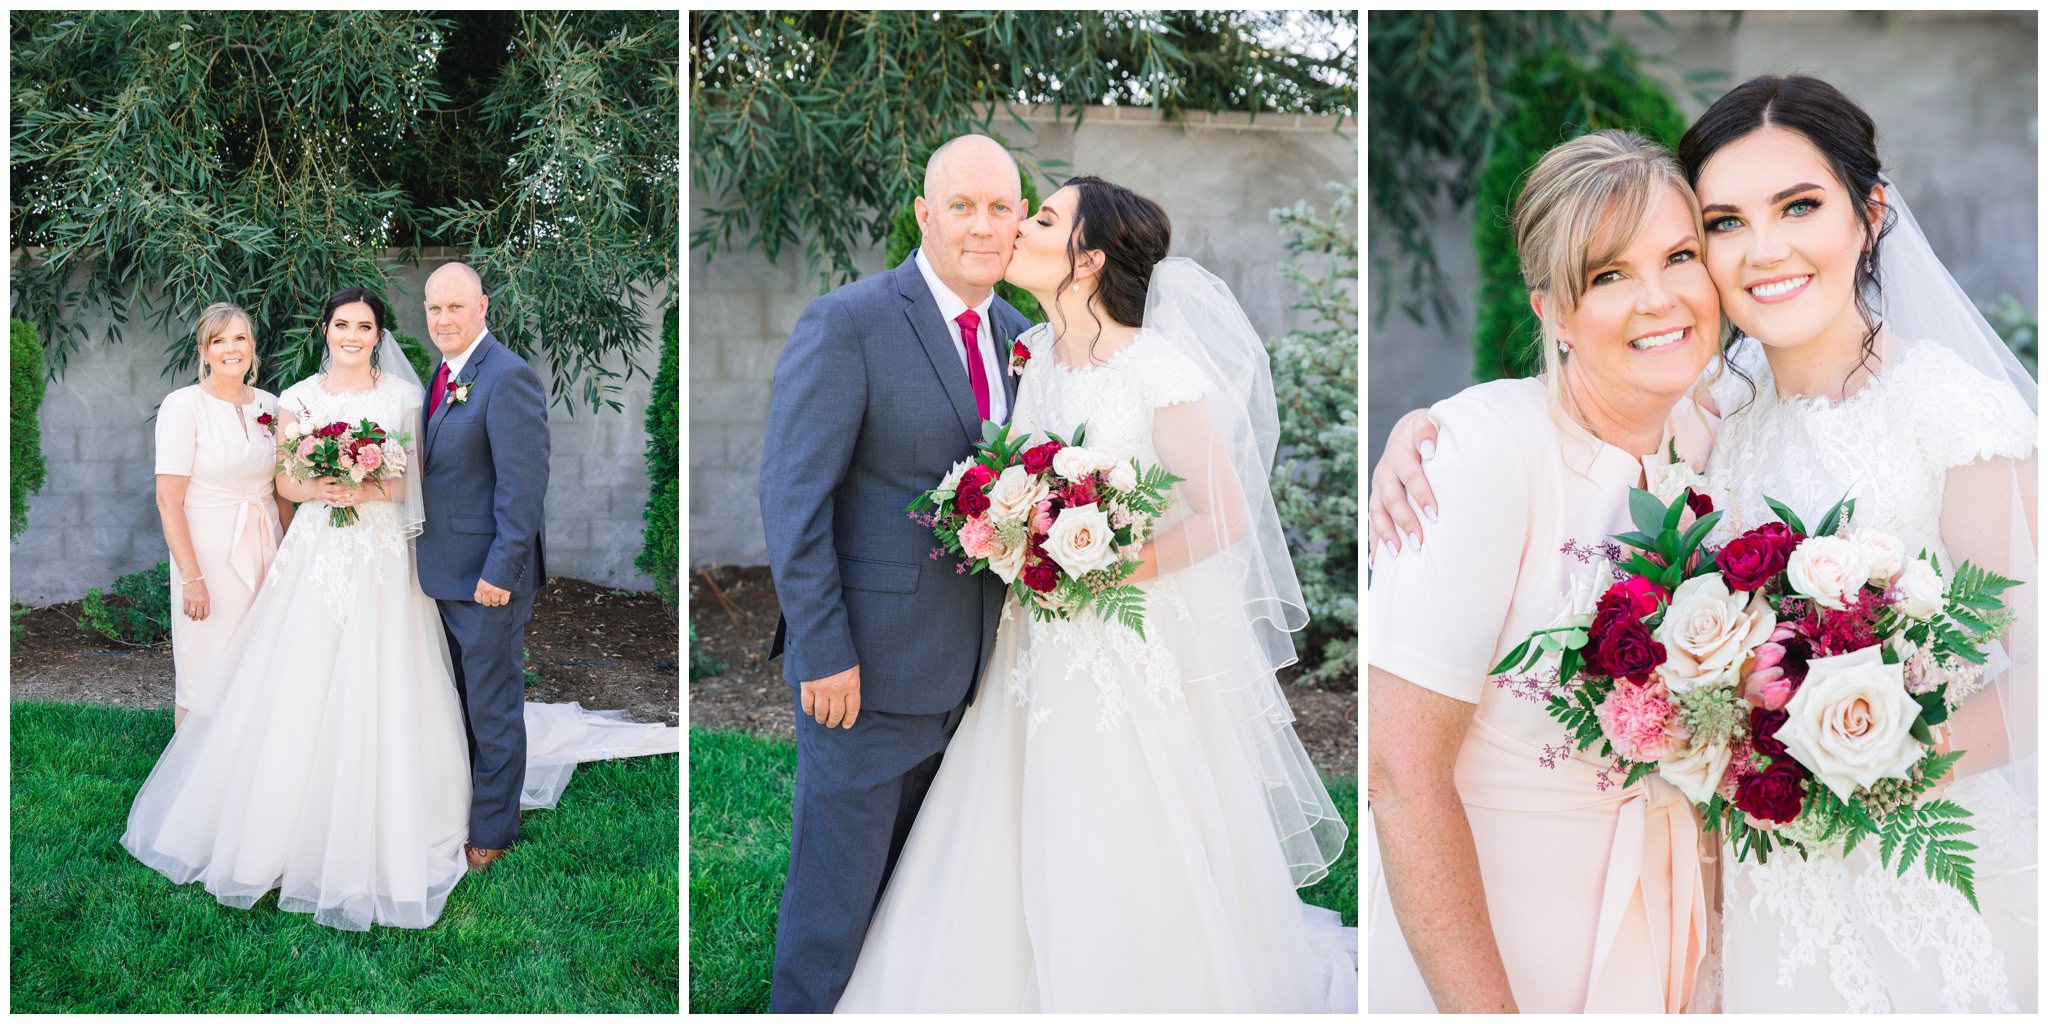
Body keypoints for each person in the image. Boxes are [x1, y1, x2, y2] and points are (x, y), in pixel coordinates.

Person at [1369, 76, 2037, 1013]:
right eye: (1724, 223)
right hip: (1742, 902)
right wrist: (1423, 435)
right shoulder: (1720, 409)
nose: (1763, 249)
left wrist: (1861, 757)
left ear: (1871, 214)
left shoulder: (1951, 415)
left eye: (1799, 206)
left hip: (1908, 873)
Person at [834, 176, 1353, 1011]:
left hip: (1117, 644)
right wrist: (1008, 528)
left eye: (1040, 219)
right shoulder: (1029, 353)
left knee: (1117, 825)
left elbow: (1222, 515)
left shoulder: (1156, 367)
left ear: (1089, 258)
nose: (1017, 229)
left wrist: (1109, 568)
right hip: (1028, 640)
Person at [122, 286, 677, 931]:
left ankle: (432, 809)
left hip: (386, 557)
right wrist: (324, 483)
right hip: (319, 551)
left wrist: (369, 480)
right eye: (340, 324)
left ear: (379, 333)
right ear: (324, 331)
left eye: (364, 325)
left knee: (393, 674)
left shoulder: (410, 397)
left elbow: (421, 478)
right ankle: (284, 816)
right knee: (297, 678)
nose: (351, 335)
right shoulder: (297, 399)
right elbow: (285, 482)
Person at [1366, 131, 1720, 1012]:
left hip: (1672, 921)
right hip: (1503, 939)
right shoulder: (1482, 451)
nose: (1660, 297)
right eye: (1607, 275)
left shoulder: (1715, 442)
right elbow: (1398, 775)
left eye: (1681, 255)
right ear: (1552, 311)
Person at [757, 133, 1034, 1013]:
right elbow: (792, 499)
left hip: (984, 677)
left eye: (1001, 206)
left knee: (925, 895)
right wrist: (824, 650)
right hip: (867, 673)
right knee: (835, 899)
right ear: (925, 214)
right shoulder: (851, 322)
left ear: (1021, 217)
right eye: (963, 206)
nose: (983, 225)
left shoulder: (1023, 338)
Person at [415, 261, 551, 873]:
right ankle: (470, 802)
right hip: (444, 571)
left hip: (486, 579)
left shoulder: (508, 377)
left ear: (482, 307)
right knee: (462, 699)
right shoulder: (441, 377)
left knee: (493, 706)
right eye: (434, 309)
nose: (443, 319)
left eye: (454, 307)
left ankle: (494, 828)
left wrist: (500, 573)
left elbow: (522, 491)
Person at [153, 302, 292, 729]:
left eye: (240, 339)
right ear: (204, 350)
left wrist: (291, 553)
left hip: (265, 548)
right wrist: (193, 579)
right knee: (205, 666)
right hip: (209, 558)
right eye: (219, 340)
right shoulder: (183, 406)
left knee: (260, 664)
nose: (231, 349)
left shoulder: (271, 405)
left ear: (252, 347)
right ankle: (188, 780)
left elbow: (282, 488)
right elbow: (167, 500)